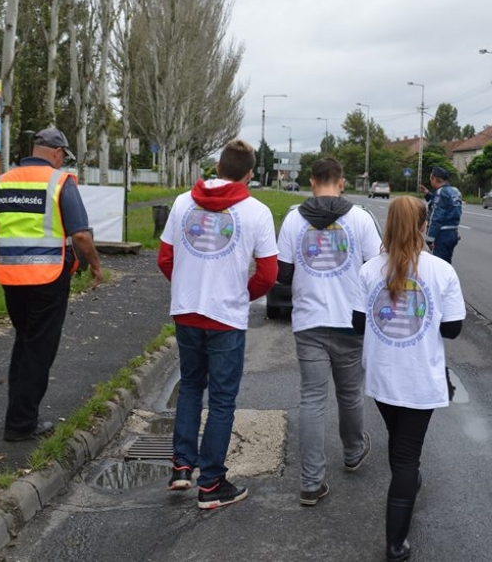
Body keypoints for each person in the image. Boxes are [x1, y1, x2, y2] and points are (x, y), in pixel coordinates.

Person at [157, 138, 278, 510]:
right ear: (249, 174)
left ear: (218, 167)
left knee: (191, 386)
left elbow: (165, 258)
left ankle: (181, 466)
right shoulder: (257, 212)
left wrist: (187, 286)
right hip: (226, 316)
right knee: (222, 399)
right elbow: (269, 274)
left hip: (187, 310)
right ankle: (211, 483)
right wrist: (240, 292)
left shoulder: (182, 202)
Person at [0, 126, 104, 442]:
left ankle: (18, 412)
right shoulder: (60, 183)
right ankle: (20, 423)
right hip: (47, 278)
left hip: (12, 278)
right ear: (56, 153)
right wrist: (96, 266)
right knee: (39, 349)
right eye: (62, 157)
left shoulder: (2, 182)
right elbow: (81, 235)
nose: (61, 162)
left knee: (25, 341)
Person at [352, 195, 466, 562]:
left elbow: (357, 323)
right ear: (421, 227)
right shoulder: (441, 271)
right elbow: (452, 329)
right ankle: (395, 544)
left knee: (400, 444)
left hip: (383, 378)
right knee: (406, 456)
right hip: (420, 378)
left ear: (388, 226)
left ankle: (409, 480)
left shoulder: (370, 270)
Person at [276, 157, 383, 507]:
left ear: (311, 182)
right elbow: (376, 270)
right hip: (351, 321)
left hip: (309, 322)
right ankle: (353, 452)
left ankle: (311, 483)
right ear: (341, 182)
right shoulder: (361, 219)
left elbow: (284, 274)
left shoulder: (293, 219)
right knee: (350, 393)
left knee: (312, 400)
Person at [424, 166, 462, 264]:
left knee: (439, 263)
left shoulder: (440, 193)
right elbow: (451, 208)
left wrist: (429, 238)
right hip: (452, 232)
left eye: (430, 178)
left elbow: (436, 216)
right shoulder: (455, 191)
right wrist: (428, 194)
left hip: (442, 234)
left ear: (434, 179)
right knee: (447, 262)